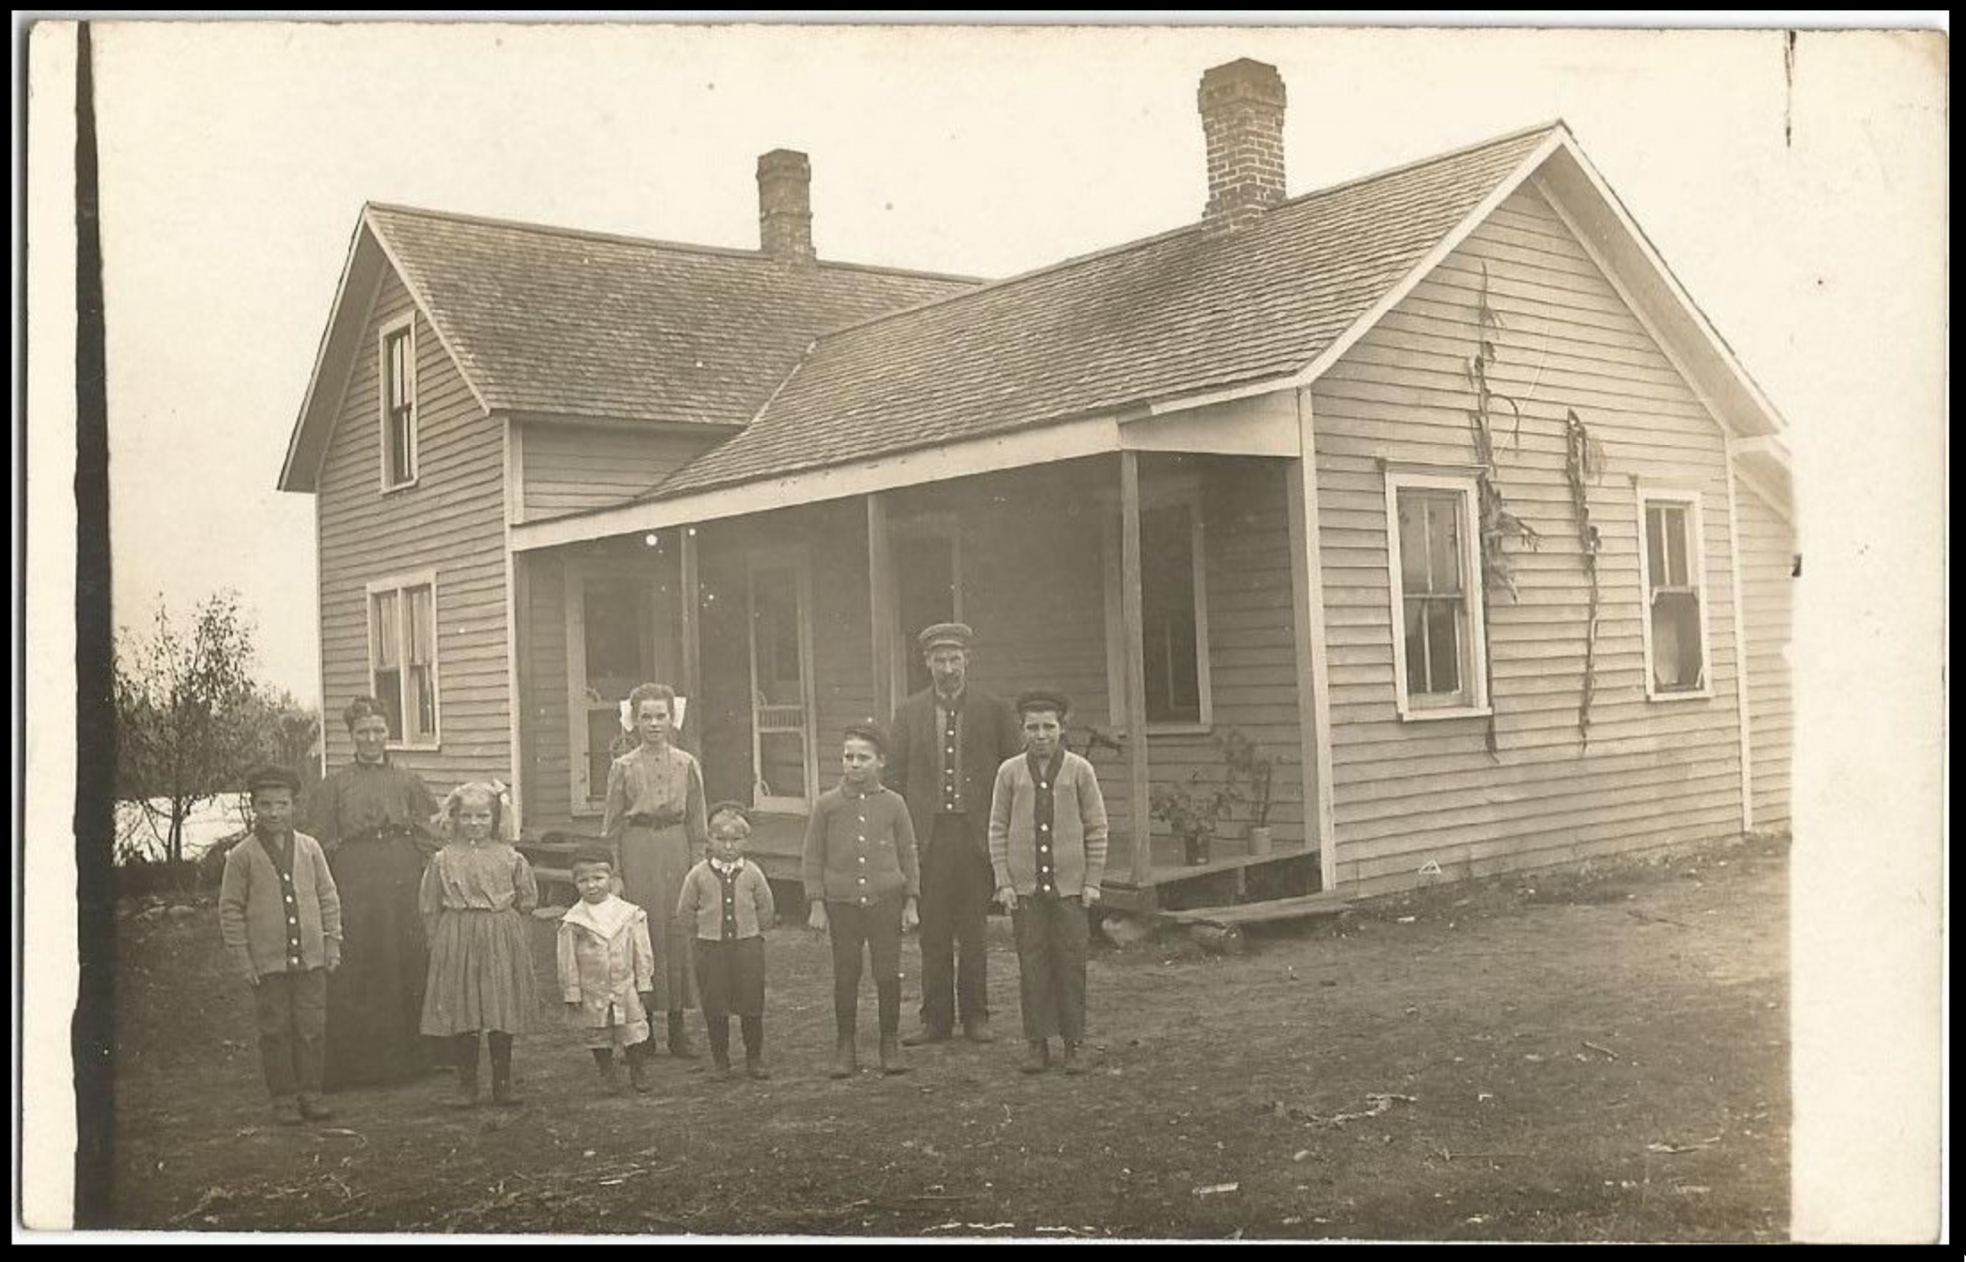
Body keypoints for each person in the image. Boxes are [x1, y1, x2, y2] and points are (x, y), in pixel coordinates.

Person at [886, 623, 1022, 1047]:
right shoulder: (908, 712)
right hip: (929, 838)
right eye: (939, 660)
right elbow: (894, 777)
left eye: (955, 659)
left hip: (975, 836)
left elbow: (1012, 775)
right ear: (927, 663)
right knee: (934, 933)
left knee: (974, 931)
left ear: (968, 659)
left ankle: (977, 1016)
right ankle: (935, 1020)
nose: (948, 668)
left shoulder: (993, 709)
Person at [306, 696, 444, 1089]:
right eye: (363, 732)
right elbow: (317, 843)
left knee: (408, 957)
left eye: (379, 731)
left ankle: (417, 1058)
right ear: (351, 736)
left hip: (401, 874)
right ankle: (357, 1064)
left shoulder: (409, 781)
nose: (372, 739)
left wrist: (428, 875)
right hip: (356, 876)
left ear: (389, 733)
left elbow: (429, 834)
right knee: (359, 960)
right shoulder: (334, 785)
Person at [989, 691, 1110, 1075]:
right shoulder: (1009, 772)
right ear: (1021, 730)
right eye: (1032, 727)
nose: (1041, 735)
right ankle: (1037, 1043)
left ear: (1062, 728)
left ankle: (1075, 1043)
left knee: (1071, 963)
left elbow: (1097, 827)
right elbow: (997, 829)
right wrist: (1004, 881)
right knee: (1033, 964)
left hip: (1071, 891)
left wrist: (1092, 880)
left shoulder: (1079, 770)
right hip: (1025, 891)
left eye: (1048, 727)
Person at [218, 764, 343, 1125]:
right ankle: (284, 1098)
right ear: (253, 807)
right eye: (266, 805)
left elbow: (328, 896)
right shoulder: (242, 855)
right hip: (268, 964)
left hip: (311, 961)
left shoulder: (309, 848)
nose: (275, 812)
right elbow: (230, 909)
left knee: (310, 1027)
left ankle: (311, 1093)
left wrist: (332, 942)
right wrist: (244, 959)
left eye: (282, 804)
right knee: (275, 1031)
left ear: (294, 806)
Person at [802, 721, 920, 1078]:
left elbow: (909, 853)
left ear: (880, 761)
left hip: (885, 901)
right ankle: (846, 1046)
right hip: (842, 905)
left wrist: (911, 901)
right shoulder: (827, 805)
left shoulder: (894, 804)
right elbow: (812, 856)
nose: (854, 764)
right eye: (848, 756)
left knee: (887, 974)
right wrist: (817, 903)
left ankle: (889, 1042)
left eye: (863, 758)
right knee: (846, 974)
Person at [602, 683, 711, 1059]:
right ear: (634, 720)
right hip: (639, 849)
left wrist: (699, 865)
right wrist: (616, 871)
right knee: (643, 935)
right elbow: (613, 825)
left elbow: (698, 821)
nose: (653, 723)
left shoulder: (686, 763)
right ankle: (644, 1030)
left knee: (678, 931)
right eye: (645, 716)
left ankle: (679, 1030)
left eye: (660, 716)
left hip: (676, 848)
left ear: (672, 719)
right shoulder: (623, 767)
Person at [419, 780, 538, 1108]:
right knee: (463, 1009)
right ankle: (467, 1086)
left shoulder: (510, 857)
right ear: (454, 818)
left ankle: (502, 1084)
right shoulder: (443, 860)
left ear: (495, 819)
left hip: (500, 933)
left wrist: (517, 941)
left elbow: (526, 901)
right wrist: (436, 943)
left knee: (500, 1008)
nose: (474, 823)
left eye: (483, 816)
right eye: (467, 816)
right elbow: (429, 905)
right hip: (458, 933)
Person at [676, 803, 777, 1080]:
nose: (728, 847)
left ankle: (753, 1059)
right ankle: (721, 1062)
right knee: (715, 1004)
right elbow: (685, 911)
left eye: (735, 840)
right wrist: (704, 933)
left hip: (747, 948)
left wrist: (753, 930)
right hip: (711, 949)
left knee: (751, 1004)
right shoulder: (698, 874)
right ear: (709, 839)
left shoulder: (753, 873)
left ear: (746, 840)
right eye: (721, 839)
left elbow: (766, 907)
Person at [557, 849, 657, 1095]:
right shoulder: (574, 921)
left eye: (598, 878)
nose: (591, 886)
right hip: (593, 988)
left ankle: (638, 1070)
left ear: (611, 878)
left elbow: (641, 951)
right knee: (597, 1031)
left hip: (625, 986)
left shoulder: (629, 914)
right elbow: (566, 960)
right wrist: (572, 991)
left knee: (632, 1029)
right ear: (575, 883)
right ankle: (607, 1072)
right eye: (583, 880)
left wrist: (644, 982)